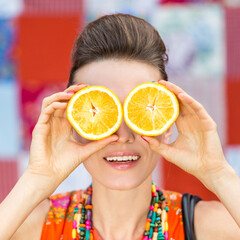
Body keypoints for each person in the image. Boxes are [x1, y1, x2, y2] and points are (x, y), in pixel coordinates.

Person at [0, 13, 240, 240]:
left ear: (167, 124)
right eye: (103, 112)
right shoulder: (33, 227)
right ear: (74, 123)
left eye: (142, 110)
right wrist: (36, 179)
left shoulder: (207, 227)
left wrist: (218, 173)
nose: (123, 135)